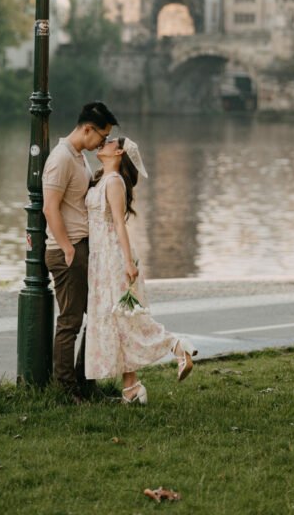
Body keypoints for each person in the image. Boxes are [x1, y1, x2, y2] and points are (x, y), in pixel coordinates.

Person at [85, 136, 196, 404]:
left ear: (119, 152)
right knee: (118, 321)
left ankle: (177, 346)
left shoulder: (113, 182)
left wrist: (127, 262)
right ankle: (131, 388)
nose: (103, 143)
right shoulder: (103, 180)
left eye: (110, 142)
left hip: (113, 258)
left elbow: (119, 225)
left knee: (126, 319)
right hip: (101, 259)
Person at [42, 100, 118, 400]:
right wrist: (67, 248)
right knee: (70, 322)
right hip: (68, 250)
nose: (103, 142)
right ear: (88, 129)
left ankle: (86, 383)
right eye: (102, 136)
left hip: (81, 248)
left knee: (99, 316)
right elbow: (50, 208)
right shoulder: (61, 158)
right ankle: (66, 389)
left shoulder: (78, 157)